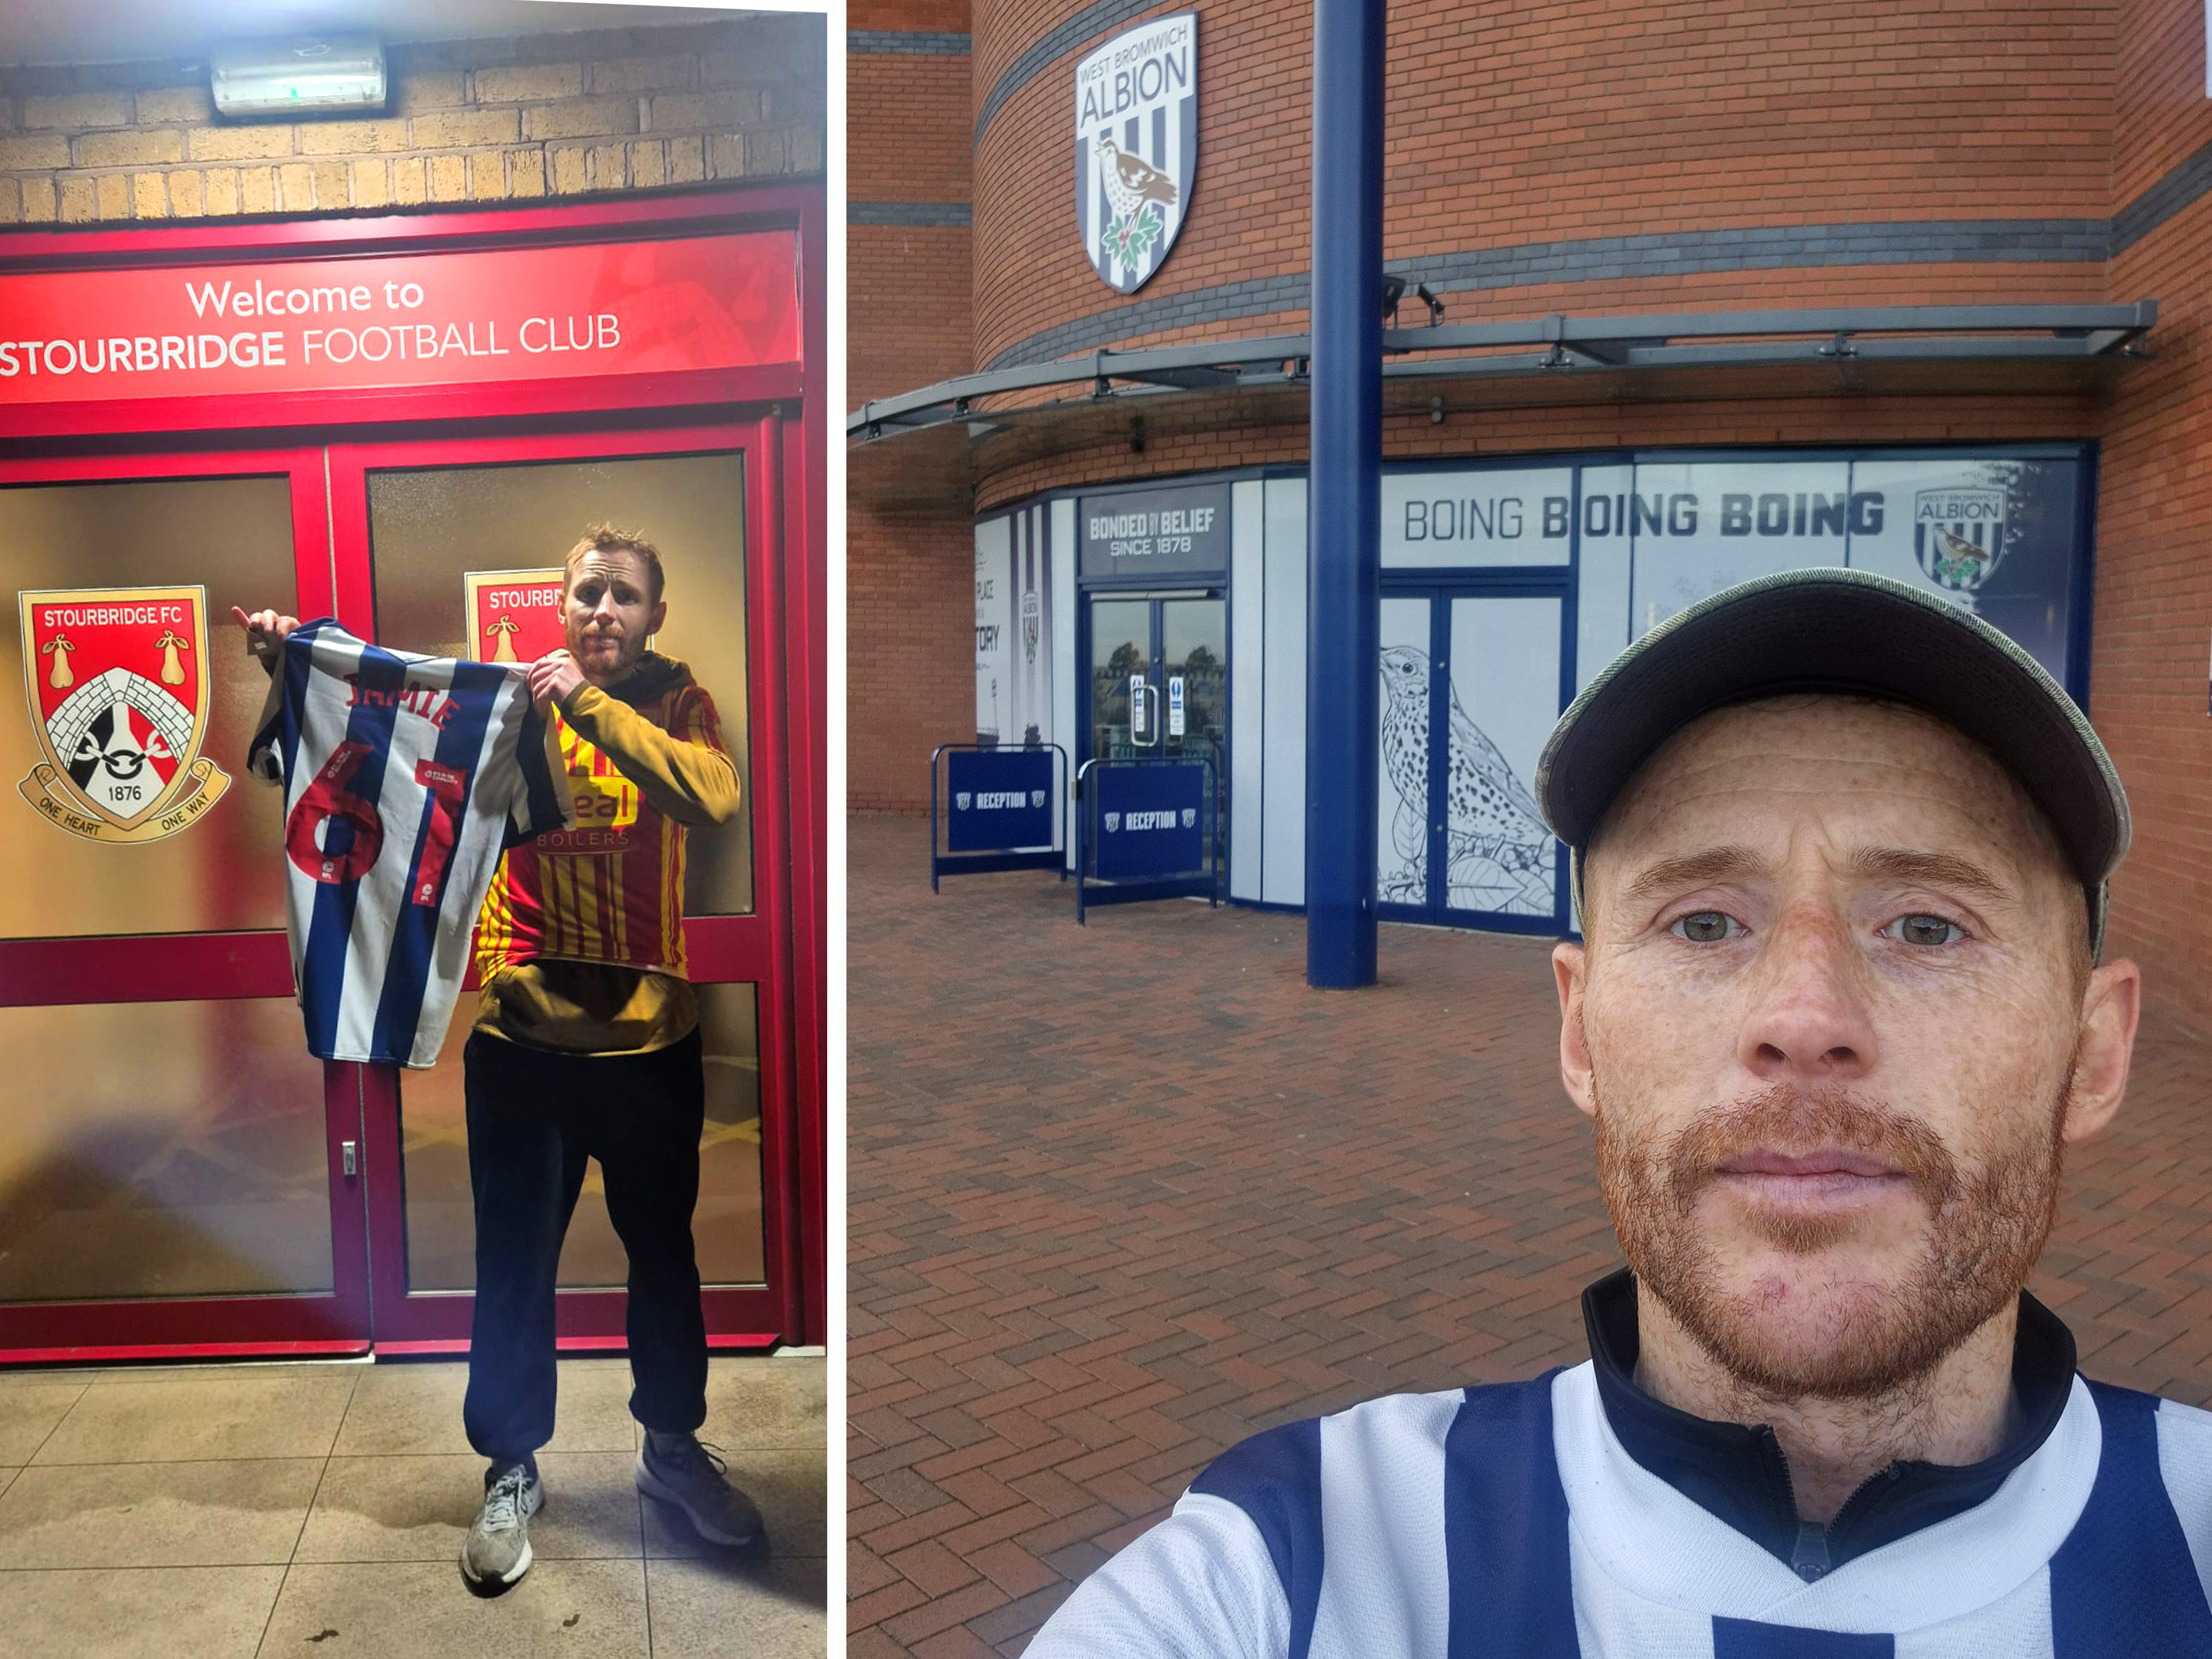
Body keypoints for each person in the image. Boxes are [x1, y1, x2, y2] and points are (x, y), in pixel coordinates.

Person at [1024, 568, 2212, 1655]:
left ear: (2093, 1053)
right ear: (1580, 1031)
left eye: (1927, 925)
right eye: (1703, 923)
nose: (1803, 1016)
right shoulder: (1298, 1563)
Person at [235, 523, 760, 1595]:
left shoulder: (678, 702)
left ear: (655, 615)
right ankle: (511, 1468)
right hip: (522, 1048)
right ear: (559, 608)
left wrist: (587, 702)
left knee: (665, 1266)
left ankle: (669, 1453)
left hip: (652, 1045)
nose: (602, 612)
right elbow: (361, 744)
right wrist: (298, 669)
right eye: (586, 595)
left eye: (624, 597)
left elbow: (712, 796)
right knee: (512, 1272)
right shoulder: (504, 706)